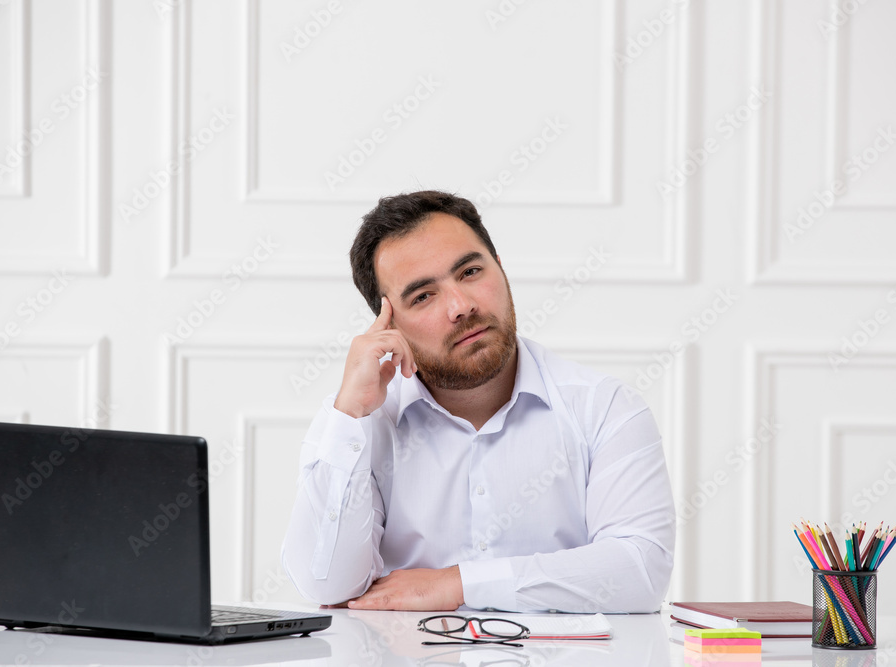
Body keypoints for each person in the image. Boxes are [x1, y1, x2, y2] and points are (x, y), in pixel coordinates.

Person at [282, 190, 675, 613]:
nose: (462, 306)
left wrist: (460, 585)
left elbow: (641, 570)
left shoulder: (605, 408)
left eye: (470, 272)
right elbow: (325, 583)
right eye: (423, 296)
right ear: (388, 324)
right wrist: (351, 416)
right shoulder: (357, 421)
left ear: (501, 270)